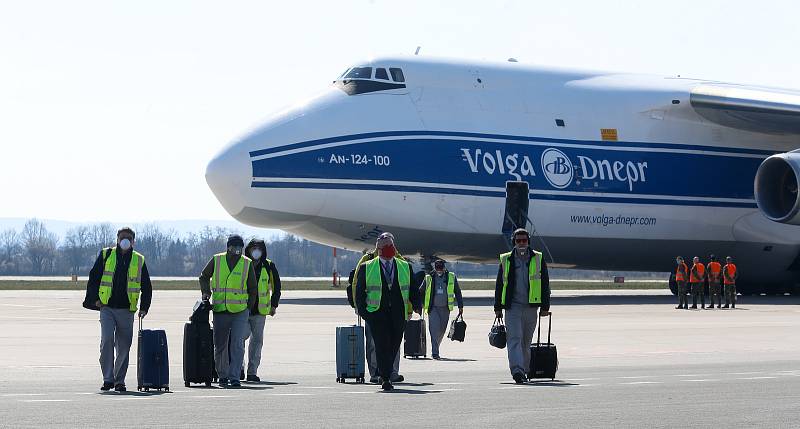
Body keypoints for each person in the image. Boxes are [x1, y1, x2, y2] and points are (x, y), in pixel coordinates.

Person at [83, 227, 152, 392]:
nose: (125, 240)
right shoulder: (106, 255)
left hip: (127, 310)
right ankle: (108, 379)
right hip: (107, 307)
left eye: (128, 238)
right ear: (117, 239)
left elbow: (147, 286)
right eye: (122, 237)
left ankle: (119, 380)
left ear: (133, 241)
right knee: (107, 340)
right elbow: (94, 277)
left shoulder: (139, 260)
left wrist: (144, 308)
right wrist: (95, 300)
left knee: (124, 346)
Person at [355, 232, 419, 391]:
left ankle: (386, 372)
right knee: (381, 345)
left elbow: (412, 289)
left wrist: (417, 305)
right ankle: (385, 378)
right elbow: (359, 291)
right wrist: (365, 313)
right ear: (379, 249)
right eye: (386, 246)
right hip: (377, 314)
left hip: (398, 315)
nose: (390, 248)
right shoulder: (367, 267)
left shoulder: (405, 266)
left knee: (394, 345)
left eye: (392, 245)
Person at [198, 234, 257, 388]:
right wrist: (206, 293)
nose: (237, 249)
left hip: (240, 311)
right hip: (220, 310)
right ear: (228, 247)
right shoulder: (217, 260)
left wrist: (248, 308)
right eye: (234, 246)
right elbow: (204, 276)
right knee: (220, 345)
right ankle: (222, 375)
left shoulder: (246, 263)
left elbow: (253, 288)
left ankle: (235, 376)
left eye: (239, 247)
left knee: (237, 345)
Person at [494, 228, 551, 384]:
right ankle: (517, 371)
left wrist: (545, 306)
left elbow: (545, 284)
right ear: (514, 241)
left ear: (528, 241)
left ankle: (525, 370)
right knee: (514, 339)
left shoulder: (538, 258)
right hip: (513, 307)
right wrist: (497, 307)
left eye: (524, 240)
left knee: (526, 342)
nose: (521, 243)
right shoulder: (506, 259)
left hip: (531, 307)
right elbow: (499, 284)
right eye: (518, 240)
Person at [349, 247, 403, 384]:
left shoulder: (399, 259)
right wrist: (359, 307)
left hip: (394, 311)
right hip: (373, 311)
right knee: (374, 344)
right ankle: (375, 373)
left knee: (393, 344)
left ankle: (392, 372)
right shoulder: (367, 260)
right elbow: (356, 283)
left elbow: (406, 280)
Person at [240, 238, 281, 382]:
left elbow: (277, 287)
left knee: (257, 342)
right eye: (253, 248)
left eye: (259, 249)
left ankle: (252, 371)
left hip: (260, 311)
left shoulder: (269, 266)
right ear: (248, 250)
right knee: (240, 338)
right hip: (243, 309)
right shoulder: (243, 264)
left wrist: (274, 305)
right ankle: (239, 368)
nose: (256, 252)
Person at [419, 259, 464, 359]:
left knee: (442, 330)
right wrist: (420, 304)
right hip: (433, 308)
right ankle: (435, 352)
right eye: (437, 269)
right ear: (435, 268)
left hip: (445, 308)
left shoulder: (451, 277)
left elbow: (457, 292)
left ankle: (436, 346)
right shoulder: (429, 278)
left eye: (441, 269)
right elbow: (420, 291)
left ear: (444, 268)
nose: (439, 271)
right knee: (434, 330)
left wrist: (461, 306)